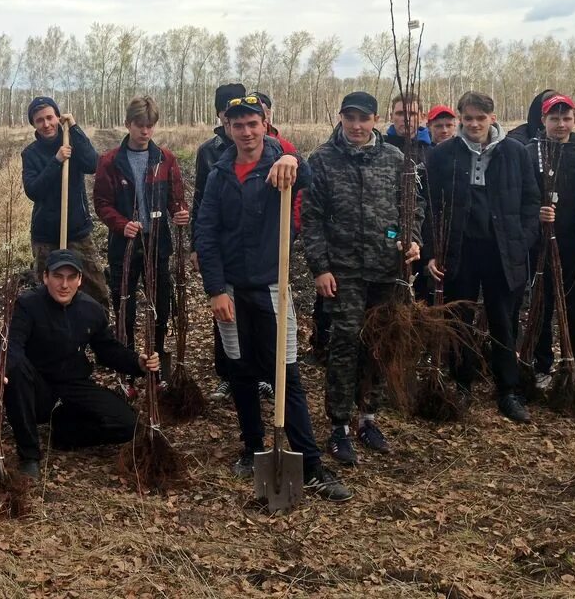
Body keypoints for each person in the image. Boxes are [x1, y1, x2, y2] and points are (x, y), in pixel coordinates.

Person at [194, 95, 352, 501]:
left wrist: (290, 159)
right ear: (227, 127)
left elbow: (308, 179)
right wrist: (215, 290)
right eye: (237, 125)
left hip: (272, 286)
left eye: (253, 124)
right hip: (231, 289)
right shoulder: (218, 173)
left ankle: (311, 463)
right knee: (241, 373)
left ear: (265, 123)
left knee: (288, 375)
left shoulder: (281, 163)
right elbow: (206, 233)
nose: (246, 132)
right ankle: (252, 448)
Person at [302, 92, 423, 465]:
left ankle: (369, 418)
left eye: (364, 118)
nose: (356, 126)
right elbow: (311, 219)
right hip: (344, 272)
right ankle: (339, 425)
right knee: (344, 346)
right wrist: (320, 267)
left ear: (375, 119)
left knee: (380, 344)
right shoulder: (321, 161)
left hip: (387, 271)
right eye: (350, 118)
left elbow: (412, 208)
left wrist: (413, 239)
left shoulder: (396, 160)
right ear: (340, 117)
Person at [0, 250, 160, 480]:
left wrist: (138, 363)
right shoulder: (27, 305)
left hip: (74, 384)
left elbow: (107, 350)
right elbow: (10, 345)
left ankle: (66, 432)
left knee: (129, 424)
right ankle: (29, 455)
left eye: (71, 277)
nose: (64, 284)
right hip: (36, 387)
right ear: (45, 277)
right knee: (15, 369)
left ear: (80, 280)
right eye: (58, 276)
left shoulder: (91, 309)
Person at [426, 91, 539, 423]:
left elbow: (531, 201)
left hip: (503, 251)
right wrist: (434, 252)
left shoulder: (516, 153)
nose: (474, 124)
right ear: (461, 118)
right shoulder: (444, 155)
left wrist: (523, 239)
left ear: (493, 117)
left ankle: (509, 391)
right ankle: (462, 384)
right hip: (460, 250)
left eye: (481, 118)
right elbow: (431, 207)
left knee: (503, 320)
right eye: (468, 118)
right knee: (459, 319)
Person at [93, 95, 187, 396]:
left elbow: (176, 198)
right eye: (139, 125)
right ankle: (128, 372)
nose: (145, 132)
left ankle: (156, 369)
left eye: (150, 126)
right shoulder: (110, 161)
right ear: (128, 124)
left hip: (157, 244)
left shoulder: (165, 159)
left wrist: (180, 212)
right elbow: (102, 203)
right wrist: (122, 224)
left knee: (159, 306)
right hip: (125, 245)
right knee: (125, 307)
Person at [526, 94, 575, 392]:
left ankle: (574, 364)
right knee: (541, 303)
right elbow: (522, 193)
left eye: (566, 118)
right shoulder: (530, 152)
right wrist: (536, 212)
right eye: (554, 118)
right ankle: (541, 365)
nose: (560, 124)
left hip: (574, 240)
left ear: (574, 119)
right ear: (543, 120)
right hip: (540, 242)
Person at [21, 95, 109, 307]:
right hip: (46, 236)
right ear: (34, 123)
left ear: (58, 118)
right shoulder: (31, 154)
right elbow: (34, 191)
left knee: (95, 291)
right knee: (48, 295)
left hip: (77, 231)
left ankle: (96, 335)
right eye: (39, 120)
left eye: (50, 117)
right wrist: (57, 161)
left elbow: (93, 164)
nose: (46, 124)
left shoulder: (72, 143)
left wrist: (76, 129)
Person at [195, 83, 245, 401]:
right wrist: (197, 247)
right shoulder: (207, 152)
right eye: (227, 109)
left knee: (254, 311)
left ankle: (255, 375)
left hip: (253, 244)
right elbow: (200, 201)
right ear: (220, 114)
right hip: (221, 243)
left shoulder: (263, 145)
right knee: (223, 308)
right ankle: (227, 373)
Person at [383, 94, 433, 165]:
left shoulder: (432, 154)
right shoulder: (378, 149)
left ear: (422, 117)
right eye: (400, 113)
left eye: (412, 114)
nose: (406, 118)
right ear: (391, 117)